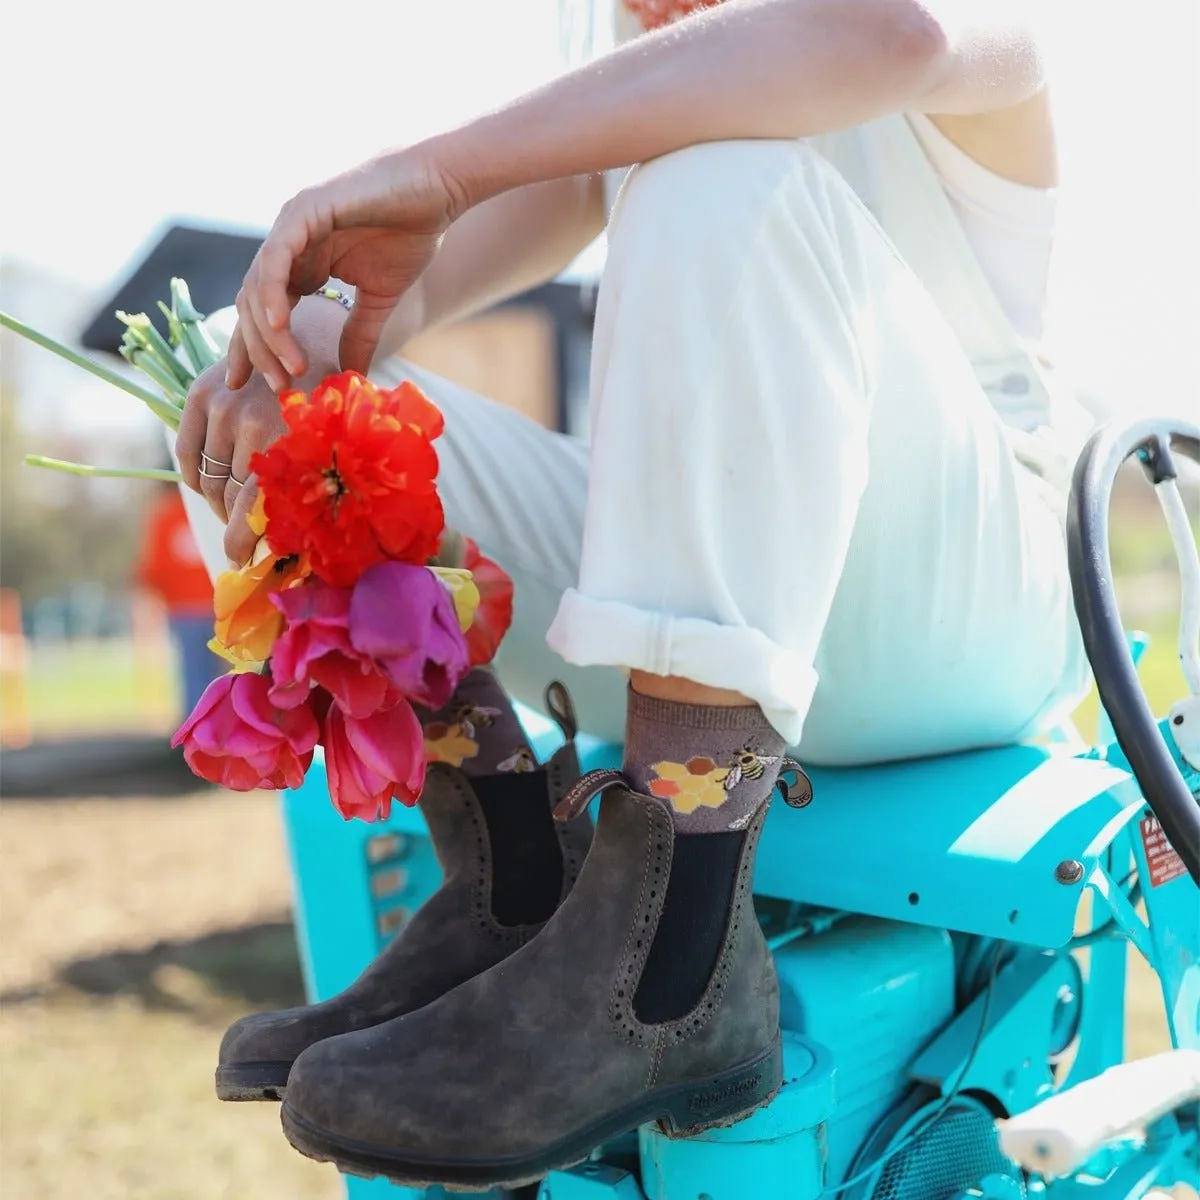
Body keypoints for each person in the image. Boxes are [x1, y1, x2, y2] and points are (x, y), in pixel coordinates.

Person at [177, 0, 1092, 1185]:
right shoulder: (620, 115)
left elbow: (891, 39)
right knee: (247, 378)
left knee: (717, 182)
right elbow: (375, 310)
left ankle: (671, 972)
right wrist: (275, 338)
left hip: (957, 614)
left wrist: (437, 171)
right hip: (716, 590)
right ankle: (513, 893)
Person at [133, 482, 222, 718]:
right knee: (226, 675)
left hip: (183, 611)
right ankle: (229, 732)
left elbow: (154, 568)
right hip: (221, 606)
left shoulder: (165, 515)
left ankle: (196, 735)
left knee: (193, 675)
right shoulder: (211, 506)